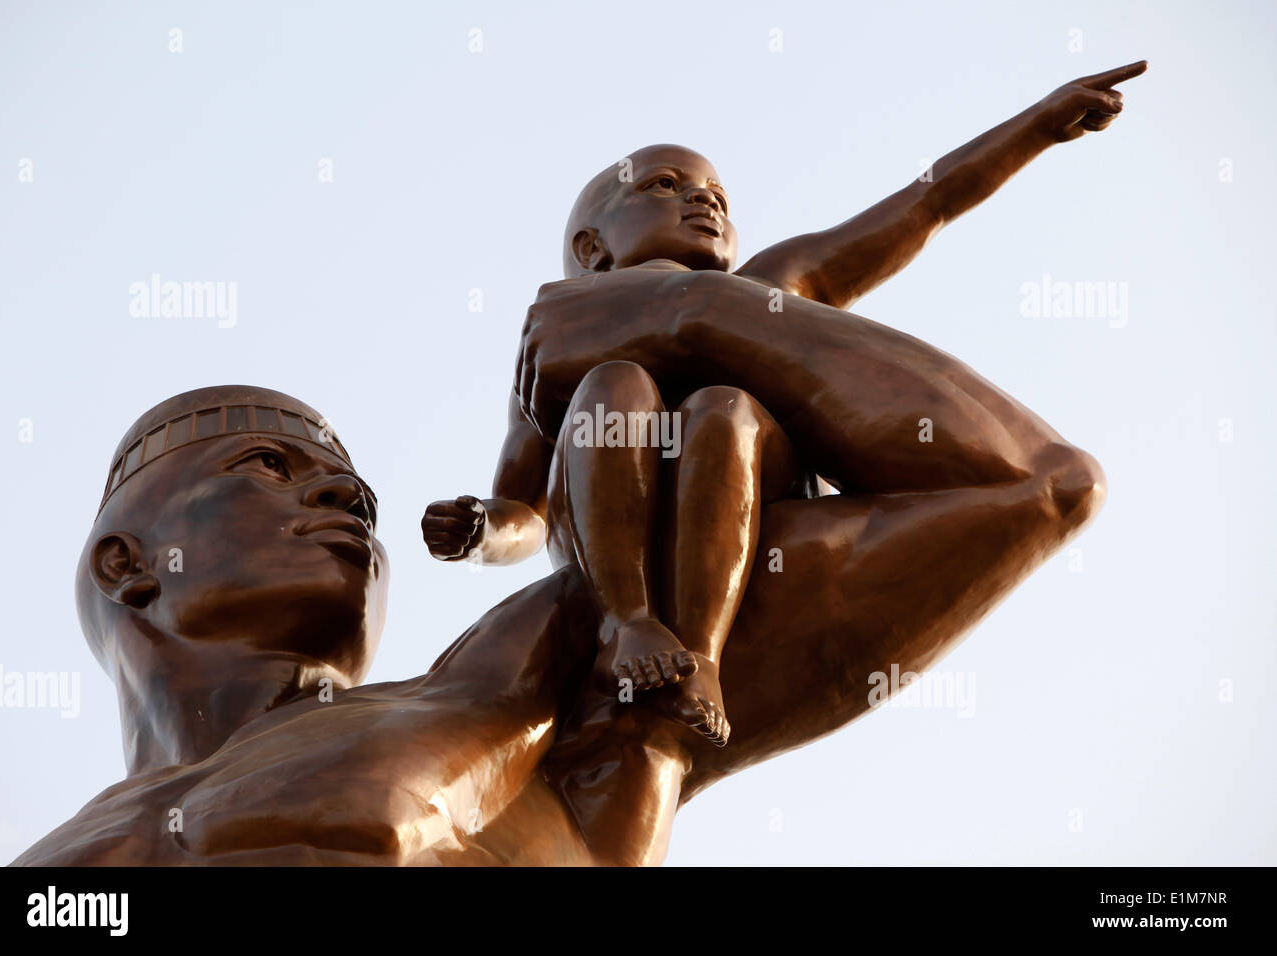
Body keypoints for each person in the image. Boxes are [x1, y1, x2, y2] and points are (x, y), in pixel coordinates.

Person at [422, 61, 1146, 749]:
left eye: (718, 196)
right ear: (592, 247)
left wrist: (1036, 127)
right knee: (616, 387)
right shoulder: (557, 345)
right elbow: (529, 511)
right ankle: (628, 622)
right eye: (665, 185)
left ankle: (699, 656)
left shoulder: (767, 285)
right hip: (617, 545)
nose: (702, 199)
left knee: (725, 407)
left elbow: (923, 206)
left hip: (743, 505)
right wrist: (483, 530)